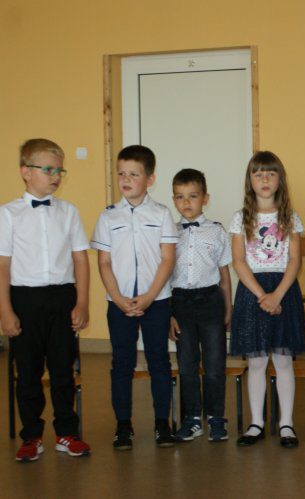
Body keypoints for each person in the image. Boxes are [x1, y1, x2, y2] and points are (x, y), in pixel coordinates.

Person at [0, 139, 91, 462]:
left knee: (62, 369)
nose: (55, 176)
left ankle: (67, 432)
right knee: (28, 371)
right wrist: (5, 310)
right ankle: (31, 435)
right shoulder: (8, 214)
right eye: (48, 169)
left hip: (62, 296)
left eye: (59, 171)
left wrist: (82, 302)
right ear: (26, 172)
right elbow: (3, 265)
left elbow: (80, 259)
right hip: (24, 298)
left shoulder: (68, 212)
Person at [91, 145, 179, 449]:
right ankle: (123, 426)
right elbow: (104, 262)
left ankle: (162, 424)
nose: (126, 179)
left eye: (133, 174)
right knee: (122, 363)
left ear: (150, 179)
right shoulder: (108, 216)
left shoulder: (162, 214)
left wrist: (150, 296)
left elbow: (167, 259)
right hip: (119, 303)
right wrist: (117, 298)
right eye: (121, 174)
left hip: (156, 301)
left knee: (159, 361)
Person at [229, 151, 305, 448]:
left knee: (283, 361)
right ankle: (256, 423)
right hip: (253, 291)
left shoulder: (290, 217)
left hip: (283, 290)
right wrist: (263, 296)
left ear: (279, 180)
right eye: (258, 173)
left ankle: (286, 423)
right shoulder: (241, 218)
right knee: (258, 361)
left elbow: (295, 260)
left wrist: (277, 295)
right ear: (249, 180)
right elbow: (239, 261)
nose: (264, 179)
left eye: (270, 174)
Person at [169, 169, 233, 442]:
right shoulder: (169, 233)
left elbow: (225, 274)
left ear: (205, 198)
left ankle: (216, 417)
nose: (186, 202)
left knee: (215, 363)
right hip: (180, 302)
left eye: (193, 196)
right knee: (187, 364)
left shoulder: (217, 231)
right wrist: (168, 313)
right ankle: (192, 418)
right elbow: (164, 275)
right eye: (180, 196)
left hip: (210, 301)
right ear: (174, 199)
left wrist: (228, 308)